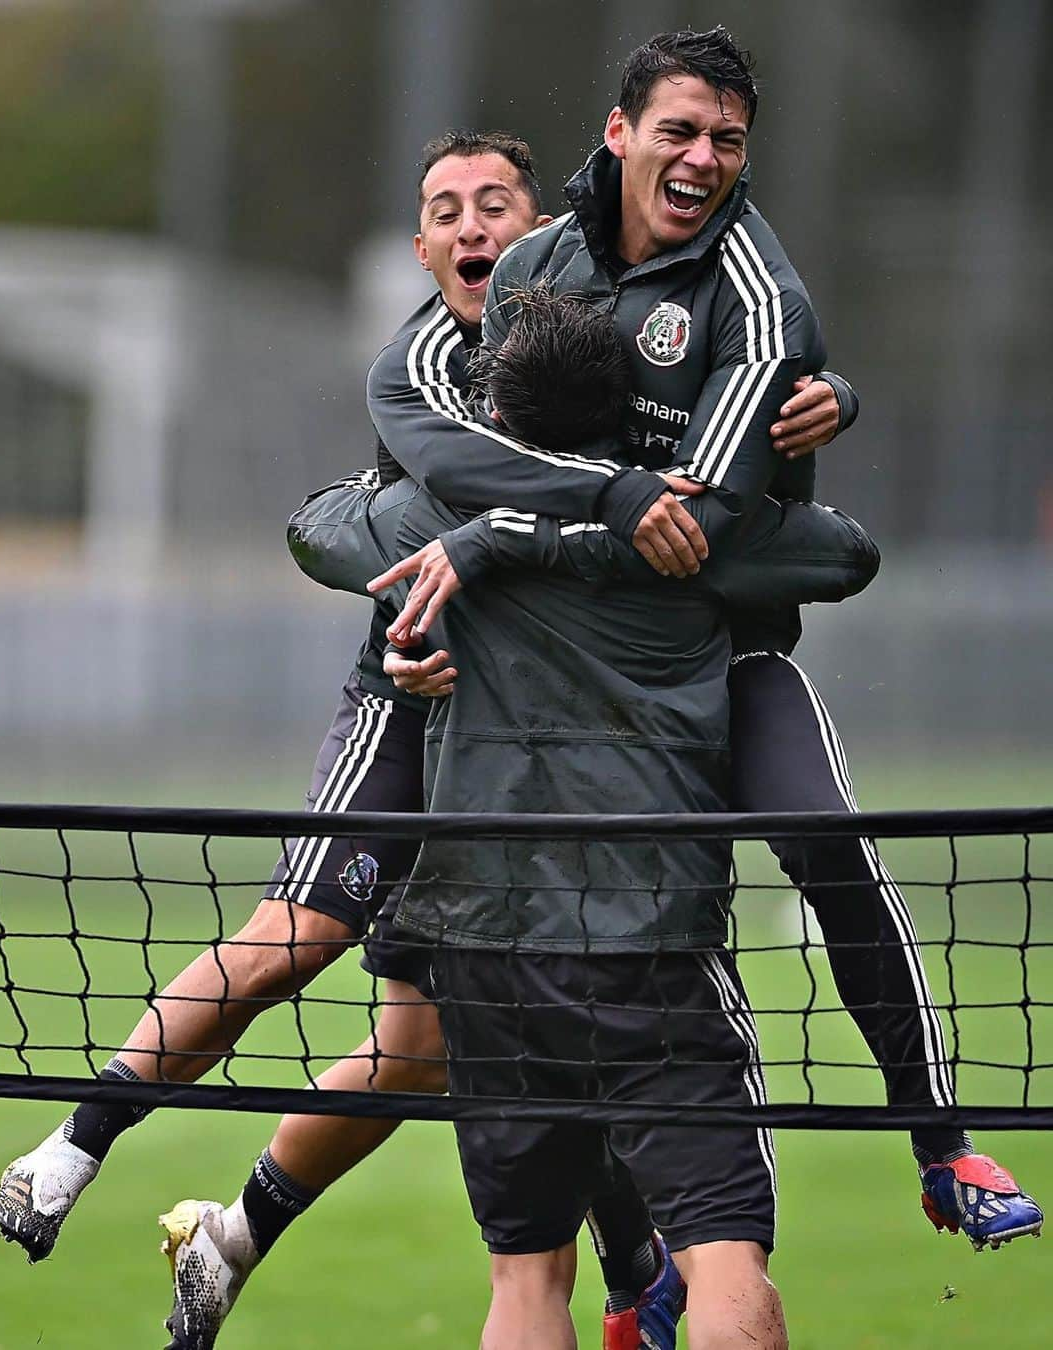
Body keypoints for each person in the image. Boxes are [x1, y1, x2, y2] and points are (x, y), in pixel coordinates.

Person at [0, 129, 843, 1350]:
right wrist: (405, 606)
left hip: (546, 737)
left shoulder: (597, 340)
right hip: (416, 691)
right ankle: (70, 1149)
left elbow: (762, 481)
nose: (472, 225)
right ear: (423, 245)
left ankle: (239, 1242)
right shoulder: (429, 361)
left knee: (434, 1040)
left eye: (497, 203)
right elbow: (348, 517)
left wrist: (826, 402)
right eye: (446, 208)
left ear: (542, 230)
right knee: (299, 942)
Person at [369, 28, 1042, 1277]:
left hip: (723, 659)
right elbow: (429, 422)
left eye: (728, 139)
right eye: (679, 129)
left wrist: (520, 525)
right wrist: (540, 516)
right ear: (618, 133)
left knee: (827, 847)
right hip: (570, 685)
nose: (703, 157)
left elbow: (709, 515)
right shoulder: (533, 263)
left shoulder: (757, 292)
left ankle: (943, 1141)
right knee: (583, 958)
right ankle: (649, 1276)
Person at [279, 284, 879, 1350]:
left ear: (495, 419)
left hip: (486, 953)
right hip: (651, 948)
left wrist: (495, 514)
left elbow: (318, 529)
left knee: (526, 1282)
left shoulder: (435, 518)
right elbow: (844, 553)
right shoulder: (694, 533)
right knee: (723, 1260)